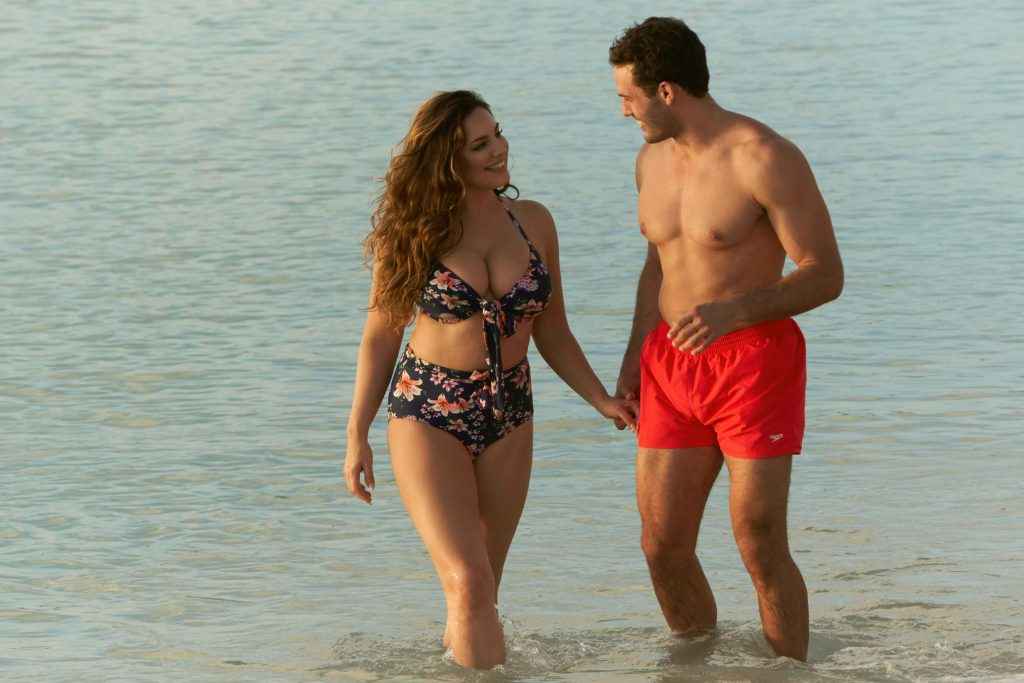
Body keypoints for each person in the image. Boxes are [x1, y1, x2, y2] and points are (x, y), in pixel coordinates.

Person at [343, 90, 637, 670]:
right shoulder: (414, 231)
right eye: (480, 145)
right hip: (428, 409)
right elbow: (381, 335)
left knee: (482, 587)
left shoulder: (534, 223)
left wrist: (600, 398)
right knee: (469, 580)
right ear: (448, 160)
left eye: (497, 133)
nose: (499, 149)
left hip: (509, 411)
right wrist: (357, 433)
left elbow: (553, 330)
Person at [608, 18, 844, 661]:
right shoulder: (650, 161)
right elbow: (658, 265)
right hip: (669, 363)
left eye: (627, 97)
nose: (622, 110)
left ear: (665, 91)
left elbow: (825, 273)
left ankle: (789, 673)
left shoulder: (763, 156)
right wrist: (633, 357)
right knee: (662, 544)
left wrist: (735, 312)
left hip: (753, 362)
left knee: (759, 539)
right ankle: (696, 667)